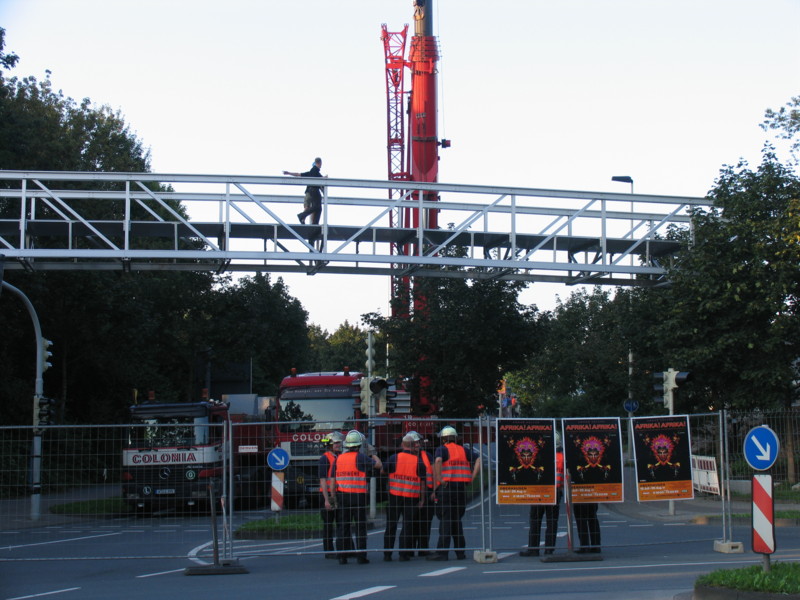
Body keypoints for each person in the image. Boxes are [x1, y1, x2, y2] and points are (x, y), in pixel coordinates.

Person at [426, 426, 481, 561]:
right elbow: (478, 459)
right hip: (461, 488)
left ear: (443, 439)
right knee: (456, 520)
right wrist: (472, 477)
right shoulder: (464, 450)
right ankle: (460, 552)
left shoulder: (442, 449)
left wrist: (439, 479)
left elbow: (438, 461)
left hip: (447, 488)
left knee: (446, 520)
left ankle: (442, 552)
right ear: (455, 438)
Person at [333, 429, 382, 564]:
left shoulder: (339, 459)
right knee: (360, 527)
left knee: (344, 526)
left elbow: (333, 479)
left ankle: (342, 557)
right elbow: (378, 465)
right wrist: (373, 453)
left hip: (342, 496)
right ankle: (361, 556)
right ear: (359, 445)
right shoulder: (360, 457)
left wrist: (333, 496)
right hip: (358, 497)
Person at [382, 434, 426, 561]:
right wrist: (422, 499)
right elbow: (422, 483)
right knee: (407, 526)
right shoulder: (419, 462)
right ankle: (404, 553)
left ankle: (387, 553)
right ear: (413, 447)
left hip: (394, 496)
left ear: (402, 445)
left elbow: (383, 471)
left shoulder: (394, 458)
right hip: (411, 497)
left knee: (391, 525)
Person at [520, 433, 564, 557]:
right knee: (552, 521)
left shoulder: (541, 455)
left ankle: (533, 549)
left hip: (540, 491)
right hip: (555, 491)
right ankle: (549, 548)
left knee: (535, 520)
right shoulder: (562, 457)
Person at [408, 431, 435, 556]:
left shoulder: (427, 456)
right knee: (411, 522)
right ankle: (409, 548)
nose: (418, 445)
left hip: (428, 492)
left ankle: (423, 548)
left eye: (418, 442)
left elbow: (434, 473)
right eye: (415, 443)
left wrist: (434, 491)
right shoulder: (404, 457)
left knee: (425, 522)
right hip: (411, 493)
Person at [319, 431, 343, 558]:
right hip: (327, 494)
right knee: (328, 524)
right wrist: (327, 500)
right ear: (329, 444)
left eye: (339, 442)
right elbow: (323, 479)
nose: (339, 445)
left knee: (340, 522)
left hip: (337, 493)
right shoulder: (325, 458)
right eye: (336, 443)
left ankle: (341, 549)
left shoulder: (338, 456)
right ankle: (328, 551)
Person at [283, 157, 326, 225]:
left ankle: (307, 219)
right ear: (320, 163)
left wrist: (289, 173)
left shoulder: (311, 172)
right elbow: (320, 180)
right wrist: (324, 179)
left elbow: (298, 174)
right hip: (314, 191)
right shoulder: (314, 170)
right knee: (316, 207)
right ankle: (304, 217)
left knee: (314, 207)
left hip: (310, 191)